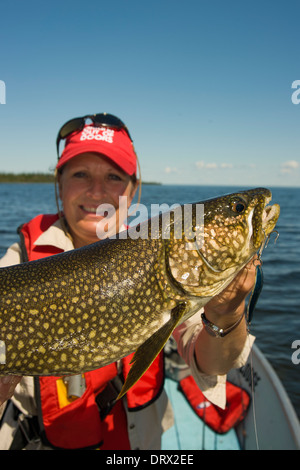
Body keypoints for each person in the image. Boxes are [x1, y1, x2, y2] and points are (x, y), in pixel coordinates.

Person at [0, 113, 256, 450]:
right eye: (80, 174)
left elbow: (214, 363)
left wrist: (225, 316)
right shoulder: (18, 260)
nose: (97, 191)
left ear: (134, 190)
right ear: (59, 185)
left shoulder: (163, 248)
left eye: (113, 176)